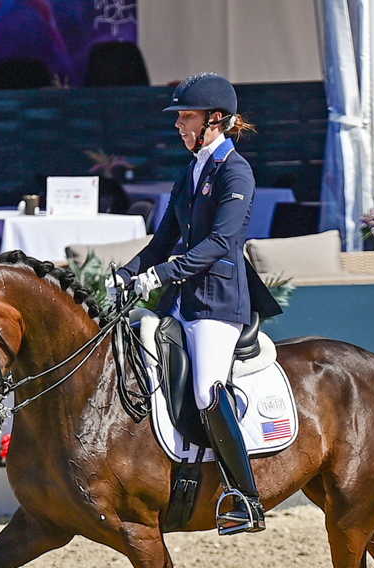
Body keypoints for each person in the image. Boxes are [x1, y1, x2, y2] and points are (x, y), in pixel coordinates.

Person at [106, 72, 283, 535]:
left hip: (220, 303)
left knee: (207, 388)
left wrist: (161, 275)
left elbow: (222, 242)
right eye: (181, 117)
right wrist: (127, 274)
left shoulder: (235, 170)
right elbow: (164, 238)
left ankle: (245, 499)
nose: (179, 125)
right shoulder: (191, 171)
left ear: (214, 119)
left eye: (187, 117)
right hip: (184, 300)